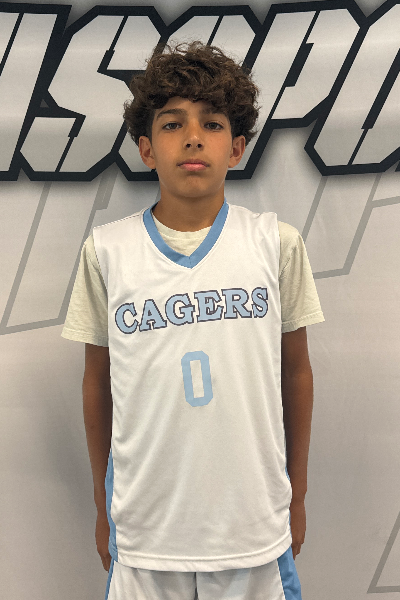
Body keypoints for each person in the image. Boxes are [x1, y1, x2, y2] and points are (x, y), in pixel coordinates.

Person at [62, 41, 324, 600]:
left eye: (212, 123)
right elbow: (97, 383)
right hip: (146, 533)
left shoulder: (275, 243)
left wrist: (297, 496)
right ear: (146, 149)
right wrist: (102, 505)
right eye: (172, 123)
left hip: (253, 529)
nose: (193, 137)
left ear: (237, 148)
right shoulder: (106, 251)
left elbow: (296, 373)